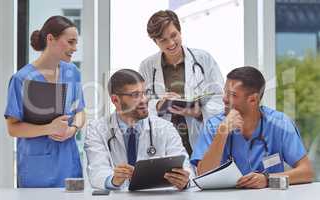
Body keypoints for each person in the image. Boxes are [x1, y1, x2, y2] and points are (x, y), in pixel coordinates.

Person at [191, 66, 314, 189]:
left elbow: (306, 172)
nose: (224, 99)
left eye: (232, 95)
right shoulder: (214, 125)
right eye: (225, 92)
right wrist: (222, 133)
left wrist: (267, 179)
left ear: (253, 100)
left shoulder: (280, 124)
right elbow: (202, 174)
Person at [4, 16, 86, 187]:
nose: (75, 48)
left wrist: (73, 129)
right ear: (50, 39)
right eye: (70, 42)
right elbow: (13, 128)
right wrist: (48, 128)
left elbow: (80, 111)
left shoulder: (72, 72)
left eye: (76, 43)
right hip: (36, 168)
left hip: (68, 163)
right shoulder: (21, 79)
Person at [84, 69, 193, 190]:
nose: (144, 100)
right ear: (115, 100)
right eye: (135, 95)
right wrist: (113, 180)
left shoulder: (165, 128)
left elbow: (185, 167)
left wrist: (184, 181)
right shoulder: (97, 129)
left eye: (145, 93)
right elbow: (96, 171)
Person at [139, 10, 224, 155]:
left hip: (198, 137)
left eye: (173, 35)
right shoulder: (147, 66)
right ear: (155, 41)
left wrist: (199, 113)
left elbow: (220, 98)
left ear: (180, 31)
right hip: (164, 142)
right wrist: (158, 105)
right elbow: (140, 104)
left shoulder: (204, 59)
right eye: (163, 40)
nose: (171, 43)